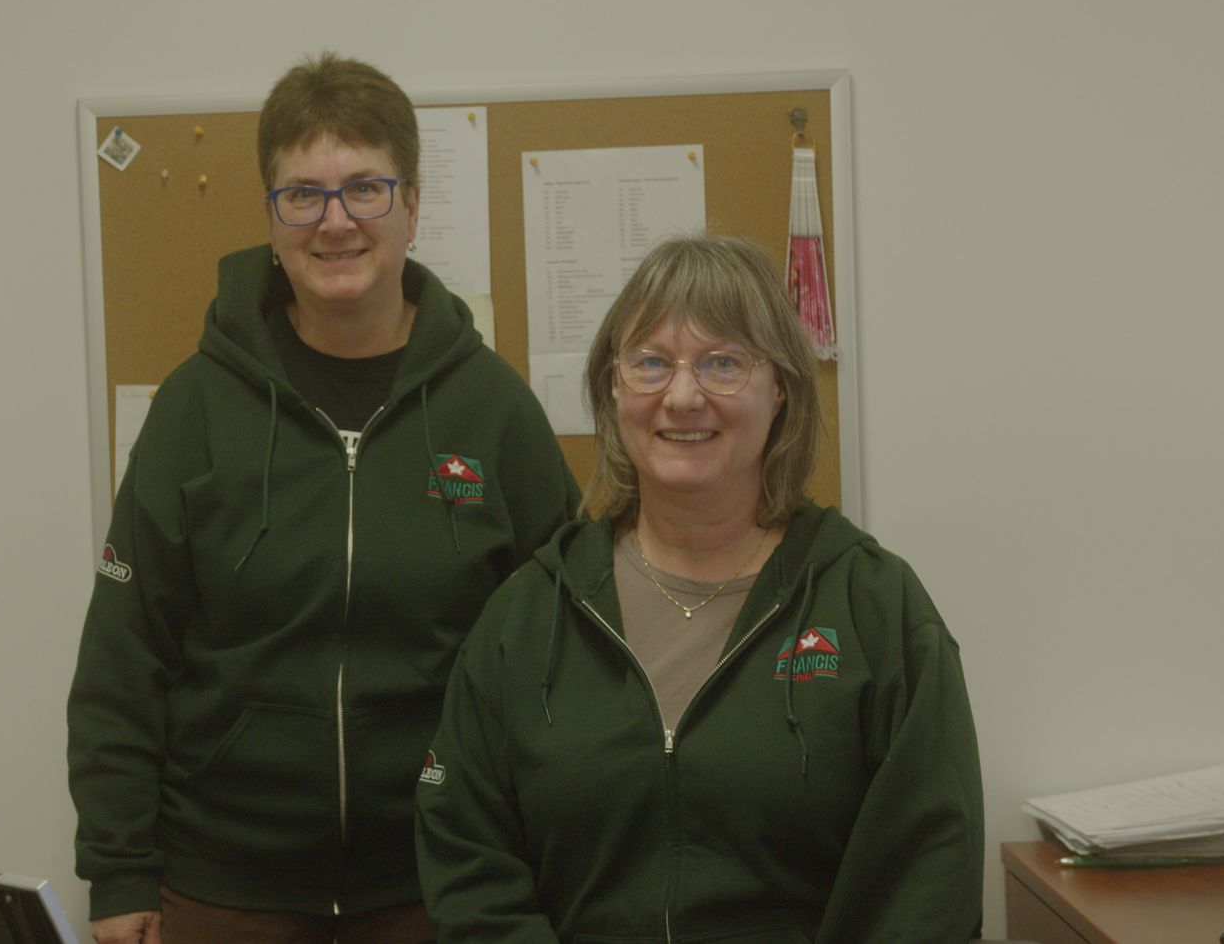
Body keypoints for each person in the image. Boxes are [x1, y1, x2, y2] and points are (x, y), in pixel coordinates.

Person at [68, 53, 578, 944]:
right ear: (271, 219)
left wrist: (550, 859)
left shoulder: (492, 410)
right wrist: (118, 872)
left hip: (442, 882)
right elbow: (124, 659)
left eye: (364, 189)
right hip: (225, 888)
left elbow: (565, 656)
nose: (334, 220)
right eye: (302, 193)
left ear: (413, 207)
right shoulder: (195, 406)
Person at [416, 234, 983, 942]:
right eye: (651, 362)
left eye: (723, 362)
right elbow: (469, 858)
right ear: (614, 386)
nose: (683, 396)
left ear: (781, 386)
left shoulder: (877, 608)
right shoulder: (528, 617)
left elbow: (929, 878)